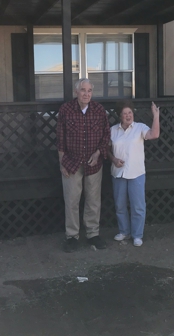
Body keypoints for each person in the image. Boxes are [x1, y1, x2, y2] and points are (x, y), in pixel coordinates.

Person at [56, 78, 111, 253]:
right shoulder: (66, 110)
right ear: (76, 92)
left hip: (93, 163)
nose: (86, 94)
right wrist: (61, 163)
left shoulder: (99, 110)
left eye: (89, 90)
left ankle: (92, 234)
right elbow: (60, 139)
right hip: (71, 163)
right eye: (83, 90)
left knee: (93, 201)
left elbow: (106, 136)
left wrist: (98, 153)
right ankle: (72, 236)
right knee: (71, 201)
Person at [107, 100, 160, 247]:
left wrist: (156, 116)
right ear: (120, 116)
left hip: (136, 173)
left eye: (130, 112)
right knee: (120, 205)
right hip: (118, 173)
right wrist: (113, 159)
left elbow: (154, 134)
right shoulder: (113, 130)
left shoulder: (139, 128)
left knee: (138, 206)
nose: (128, 115)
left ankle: (137, 235)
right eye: (124, 113)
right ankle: (124, 231)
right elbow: (106, 149)